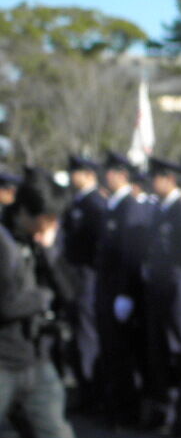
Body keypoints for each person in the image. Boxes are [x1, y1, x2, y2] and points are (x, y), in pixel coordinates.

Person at [2, 173, 116, 438]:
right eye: (45, 219)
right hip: (2, 362)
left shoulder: (42, 241)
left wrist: (49, 254)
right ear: (24, 212)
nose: (50, 226)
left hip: (35, 362)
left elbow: (71, 291)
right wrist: (41, 300)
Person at [142, 157, 181, 433]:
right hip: (160, 290)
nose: (151, 183)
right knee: (159, 351)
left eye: (156, 177)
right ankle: (166, 411)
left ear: (169, 179)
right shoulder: (160, 210)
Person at [96, 151, 153, 429]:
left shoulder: (129, 207)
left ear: (121, 175)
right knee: (111, 352)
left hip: (121, 292)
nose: (104, 176)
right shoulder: (113, 206)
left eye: (109, 171)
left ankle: (128, 412)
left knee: (124, 354)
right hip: (108, 290)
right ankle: (116, 408)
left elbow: (130, 255)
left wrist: (126, 292)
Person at [61, 155, 106, 410]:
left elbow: (99, 246)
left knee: (87, 336)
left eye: (76, 172)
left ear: (89, 174)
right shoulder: (77, 202)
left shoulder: (95, 204)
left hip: (88, 278)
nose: (72, 176)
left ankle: (92, 394)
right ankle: (83, 390)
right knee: (77, 335)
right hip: (74, 278)